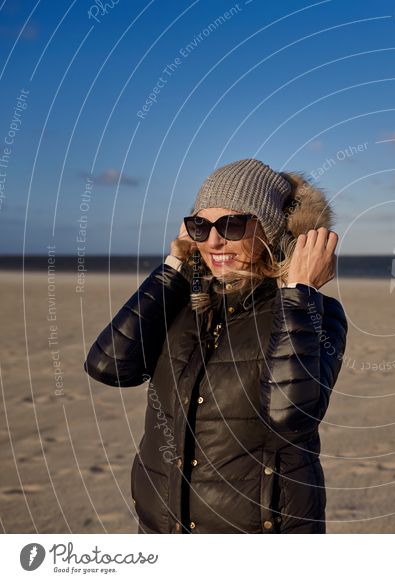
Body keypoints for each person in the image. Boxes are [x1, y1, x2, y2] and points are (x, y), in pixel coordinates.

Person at [83, 159, 347, 534]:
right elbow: (109, 367)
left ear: (270, 231)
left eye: (232, 225)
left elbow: (291, 415)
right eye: (200, 226)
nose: (214, 240)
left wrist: (300, 293)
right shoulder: (182, 303)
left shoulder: (316, 314)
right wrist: (176, 266)